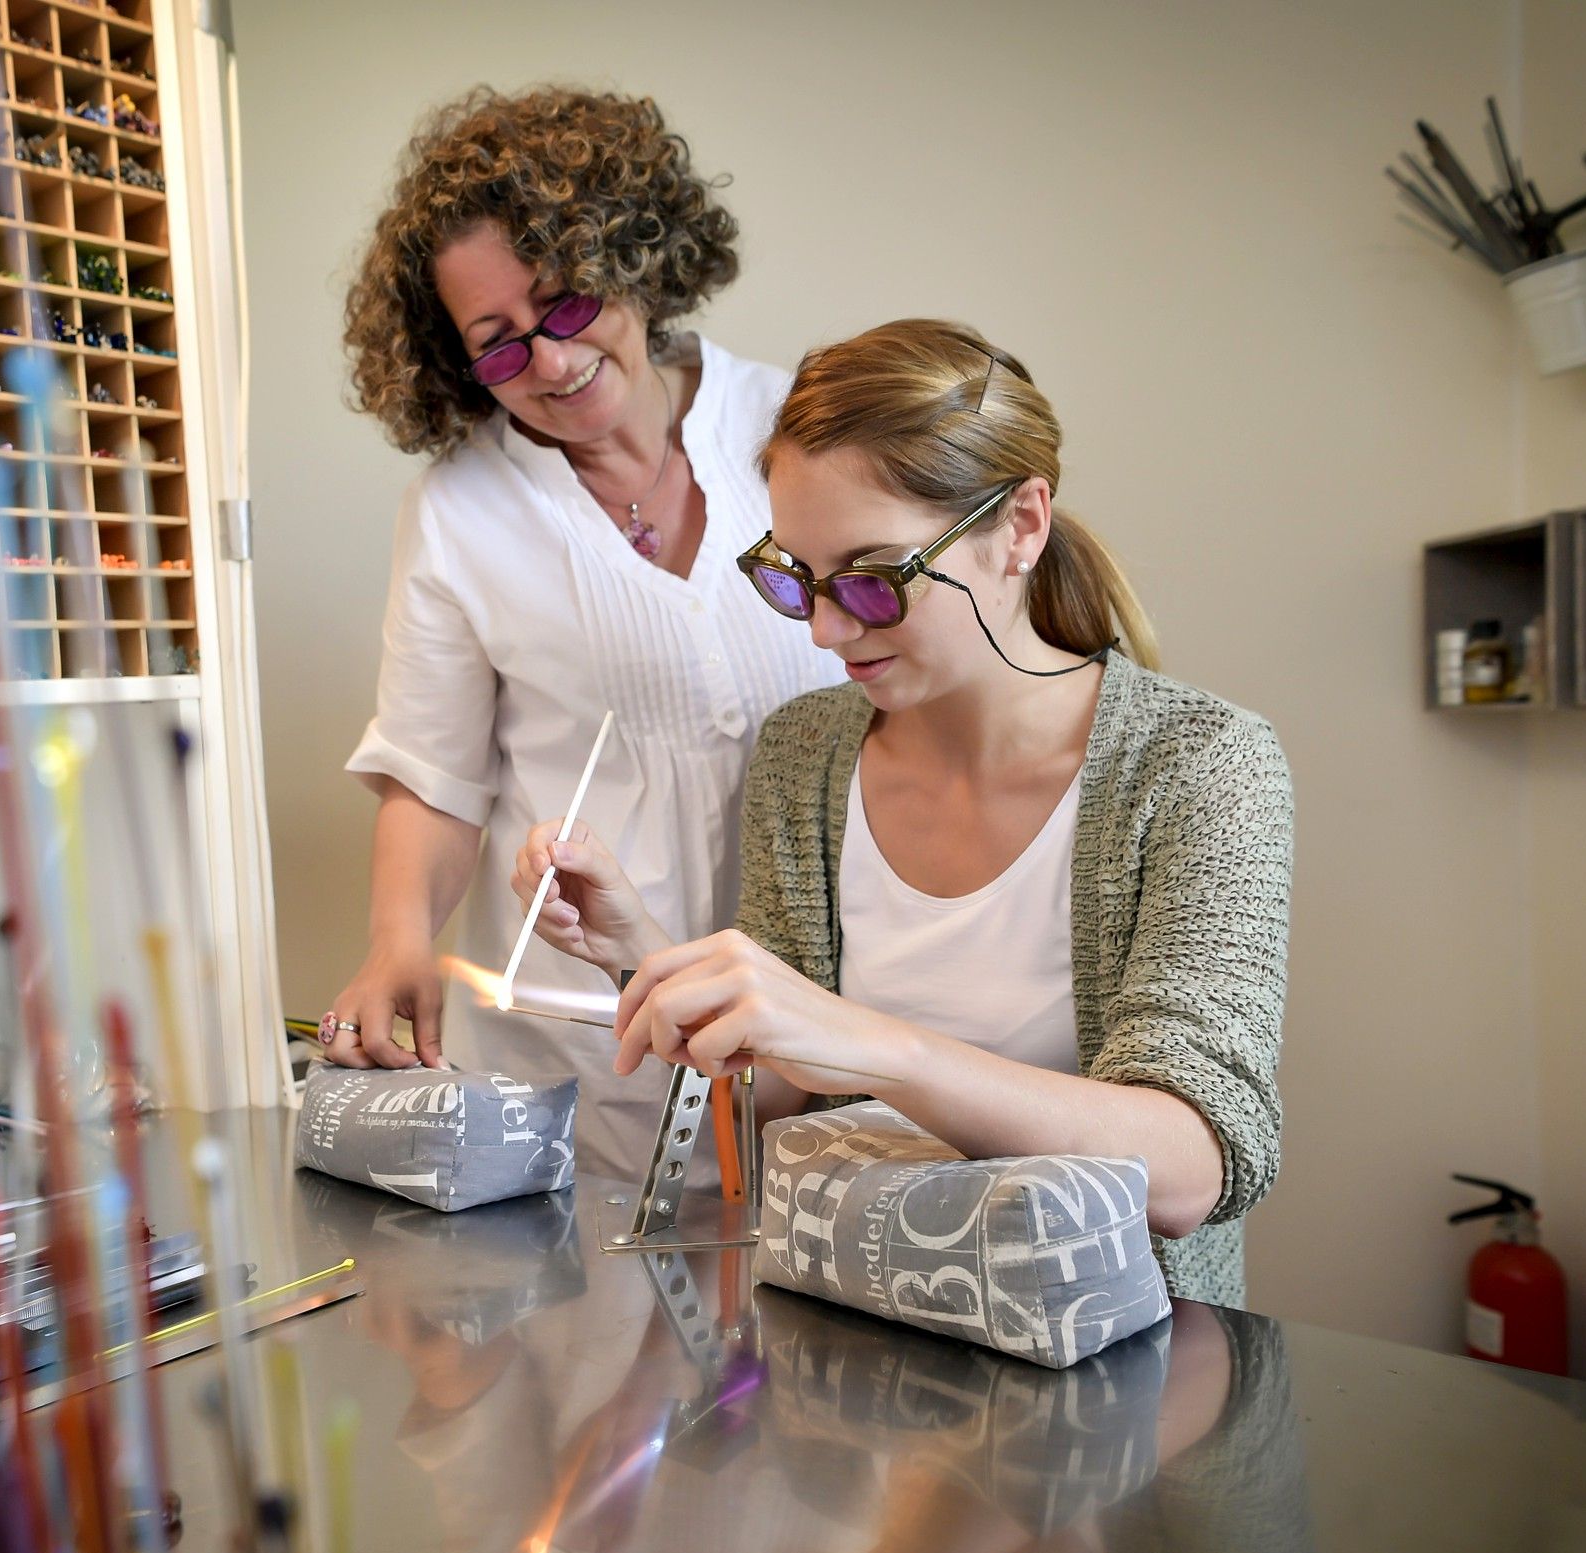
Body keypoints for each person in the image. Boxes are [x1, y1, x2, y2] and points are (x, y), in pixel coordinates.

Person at [513, 319, 1292, 1303]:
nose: (829, 628)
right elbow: (785, 1090)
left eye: (874, 579)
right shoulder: (805, 753)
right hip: (851, 1346)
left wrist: (876, 1044)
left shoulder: (1198, 766)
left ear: (1021, 525)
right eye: (795, 576)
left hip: (1114, 1384)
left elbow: (1193, 1163)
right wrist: (646, 952)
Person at [323, 86, 839, 1178]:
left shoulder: (794, 426)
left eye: (564, 306)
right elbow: (434, 775)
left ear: (637, 258)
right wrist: (396, 943)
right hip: (578, 1048)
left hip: (815, 1024)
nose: (550, 363)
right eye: (498, 347)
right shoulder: (461, 509)